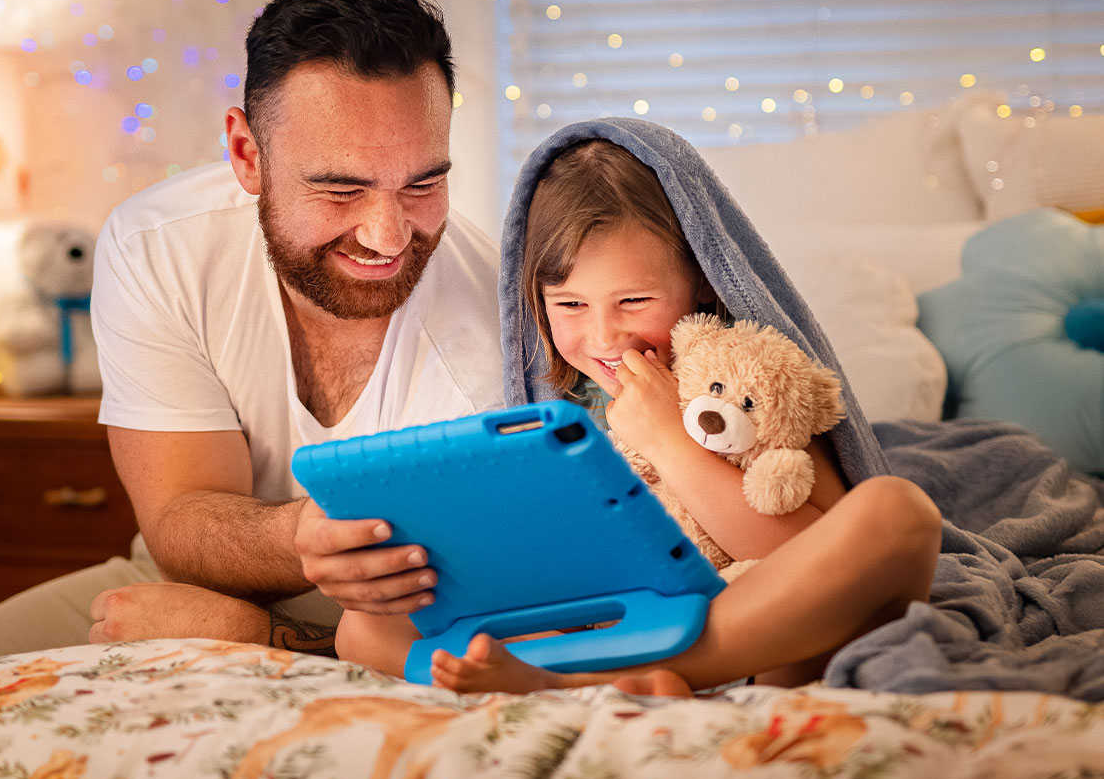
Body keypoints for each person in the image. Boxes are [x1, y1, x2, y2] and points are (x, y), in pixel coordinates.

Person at [0, 0, 505, 670]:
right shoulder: (159, 244)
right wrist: (302, 538)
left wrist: (253, 641)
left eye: (423, 184)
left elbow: (493, 643)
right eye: (341, 189)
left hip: (395, 619)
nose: (388, 235)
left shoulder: (495, 321)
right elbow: (180, 515)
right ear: (247, 155)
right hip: (182, 578)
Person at [334, 121, 943, 695]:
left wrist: (668, 443)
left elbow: (815, 546)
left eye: (633, 299)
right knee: (361, 625)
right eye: (569, 305)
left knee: (897, 513)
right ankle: (584, 671)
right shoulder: (560, 403)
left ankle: (590, 684)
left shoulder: (738, 378)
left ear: (703, 282)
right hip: (607, 623)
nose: (603, 338)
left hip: (748, 629)